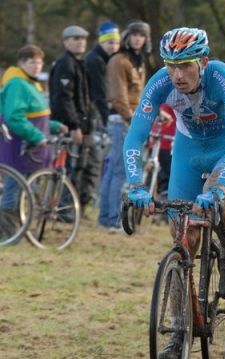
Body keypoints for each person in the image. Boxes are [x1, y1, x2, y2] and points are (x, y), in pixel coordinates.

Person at [123, 27, 225, 357]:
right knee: (182, 240)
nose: (177, 75)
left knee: (217, 199)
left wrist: (219, 186)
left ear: (203, 62)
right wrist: (136, 183)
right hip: (188, 152)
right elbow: (135, 136)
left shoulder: (222, 77)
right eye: (170, 65)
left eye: (185, 66)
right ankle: (181, 328)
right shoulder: (161, 83)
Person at [0, 45, 68, 223]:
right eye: (32, 63)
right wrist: (37, 136)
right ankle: (7, 230)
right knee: (14, 186)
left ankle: (19, 226)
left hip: (32, 148)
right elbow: (14, 117)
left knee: (24, 189)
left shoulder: (31, 84)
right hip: (18, 145)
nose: (37, 66)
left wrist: (54, 126)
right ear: (21, 63)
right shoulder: (17, 83)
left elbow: (36, 117)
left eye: (39, 63)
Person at [98, 20, 150, 233]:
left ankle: (106, 219)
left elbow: (141, 95)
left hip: (130, 118)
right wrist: (133, 121)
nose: (138, 38)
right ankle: (112, 220)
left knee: (115, 171)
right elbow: (118, 97)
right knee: (120, 171)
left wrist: (158, 111)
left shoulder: (137, 61)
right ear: (127, 36)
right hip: (121, 121)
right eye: (135, 34)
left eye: (142, 35)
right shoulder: (119, 60)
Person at [49, 25, 98, 213]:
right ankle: (63, 210)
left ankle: (70, 209)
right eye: (75, 38)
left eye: (83, 39)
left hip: (81, 125)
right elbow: (63, 98)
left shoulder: (78, 62)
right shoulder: (65, 63)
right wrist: (74, 125)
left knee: (79, 168)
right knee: (68, 170)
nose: (80, 42)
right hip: (68, 127)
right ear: (65, 42)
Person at [85, 21, 120, 129]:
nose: (114, 47)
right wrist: (107, 119)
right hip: (92, 110)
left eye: (116, 43)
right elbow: (99, 91)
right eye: (110, 43)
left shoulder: (110, 58)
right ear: (102, 43)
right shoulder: (95, 60)